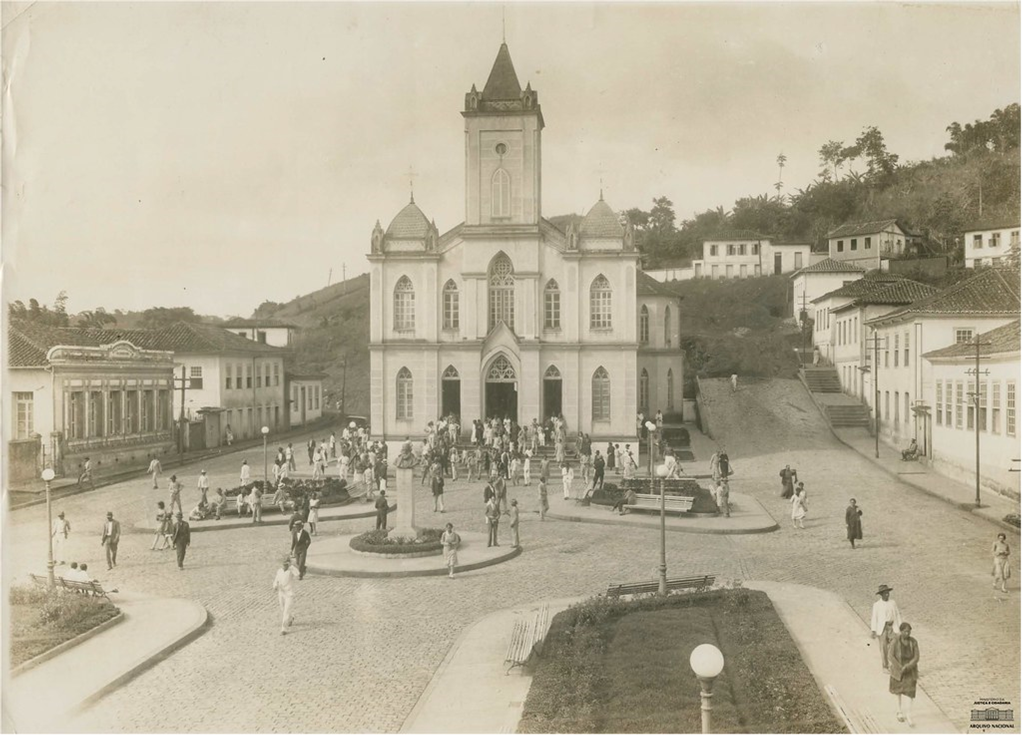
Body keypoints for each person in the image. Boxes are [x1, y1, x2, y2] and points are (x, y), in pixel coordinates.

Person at [888, 622, 920, 726]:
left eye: (909, 632)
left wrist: (908, 666)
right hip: (898, 671)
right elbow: (890, 656)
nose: (907, 633)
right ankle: (899, 711)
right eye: (905, 631)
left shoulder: (913, 642)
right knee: (898, 692)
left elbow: (916, 657)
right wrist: (899, 667)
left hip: (910, 671)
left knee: (910, 693)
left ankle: (909, 714)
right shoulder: (895, 641)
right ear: (901, 632)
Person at [870, 584, 902, 671]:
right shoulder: (877, 605)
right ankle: (885, 666)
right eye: (885, 593)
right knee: (883, 647)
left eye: (888, 593)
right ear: (881, 594)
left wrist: (900, 627)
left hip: (892, 627)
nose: (887, 594)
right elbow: (874, 617)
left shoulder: (893, 603)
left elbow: (897, 615)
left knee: (894, 646)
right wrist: (873, 630)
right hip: (882, 628)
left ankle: (894, 665)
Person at [272, 557, 300, 635]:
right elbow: (276, 580)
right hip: (281, 593)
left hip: (289, 594)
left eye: (286, 564)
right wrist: (275, 586)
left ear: (288, 564)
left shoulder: (291, 571)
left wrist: (292, 566)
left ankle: (283, 629)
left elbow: (298, 574)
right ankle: (290, 618)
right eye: (283, 564)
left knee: (286, 611)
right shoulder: (279, 571)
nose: (284, 566)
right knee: (282, 609)